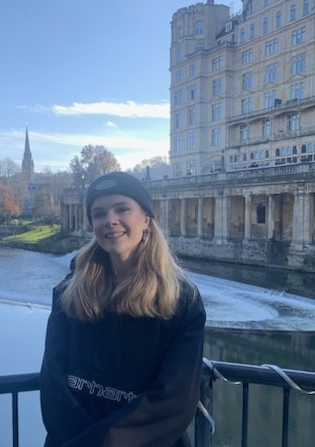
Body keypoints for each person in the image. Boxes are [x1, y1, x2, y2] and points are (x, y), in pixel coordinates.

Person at [40, 171, 206, 447]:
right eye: (99, 213)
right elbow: (52, 381)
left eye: (122, 209)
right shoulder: (69, 292)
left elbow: (173, 401)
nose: (110, 220)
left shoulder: (181, 300)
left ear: (146, 220)